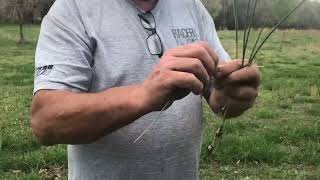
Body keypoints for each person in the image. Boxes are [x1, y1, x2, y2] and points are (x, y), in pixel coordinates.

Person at [31, 0, 260, 179]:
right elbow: (46, 120)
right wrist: (144, 95)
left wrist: (228, 96)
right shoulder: (72, 9)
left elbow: (218, 94)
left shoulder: (191, 6)